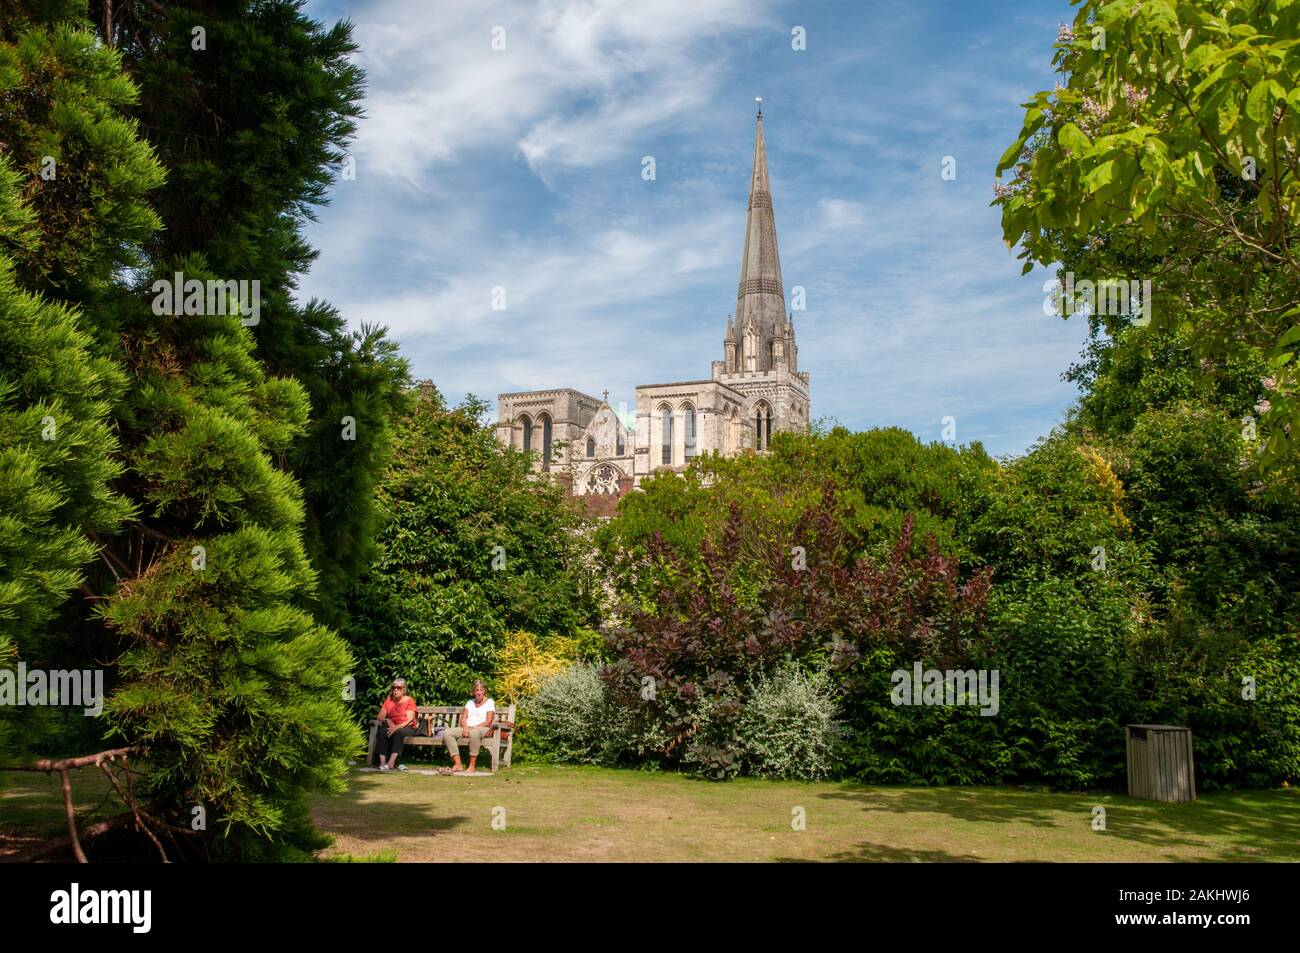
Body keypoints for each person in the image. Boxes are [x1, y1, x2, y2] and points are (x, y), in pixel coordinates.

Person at [442, 679, 496, 775]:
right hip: (468, 728)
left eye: (481, 690)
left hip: (483, 728)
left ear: (484, 691)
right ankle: (458, 764)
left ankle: (472, 766)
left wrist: (474, 727)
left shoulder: (489, 702)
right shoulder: (470, 702)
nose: (479, 692)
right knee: (447, 733)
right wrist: (466, 728)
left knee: (474, 733)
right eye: (477, 690)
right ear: (473, 691)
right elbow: (463, 719)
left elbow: (488, 721)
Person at [373, 678, 418, 771]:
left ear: (404, 689)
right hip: (392, 726)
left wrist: (396, 727)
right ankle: (382, 763)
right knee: (382, 732)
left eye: (398, 687)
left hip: (407, 727)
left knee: (398, 732)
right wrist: (387, 720)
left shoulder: (409, 701)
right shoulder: (389, 700)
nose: (395, 690)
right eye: (393, 687)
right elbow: (380, 716)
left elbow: (409, 720)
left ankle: (391, 763)